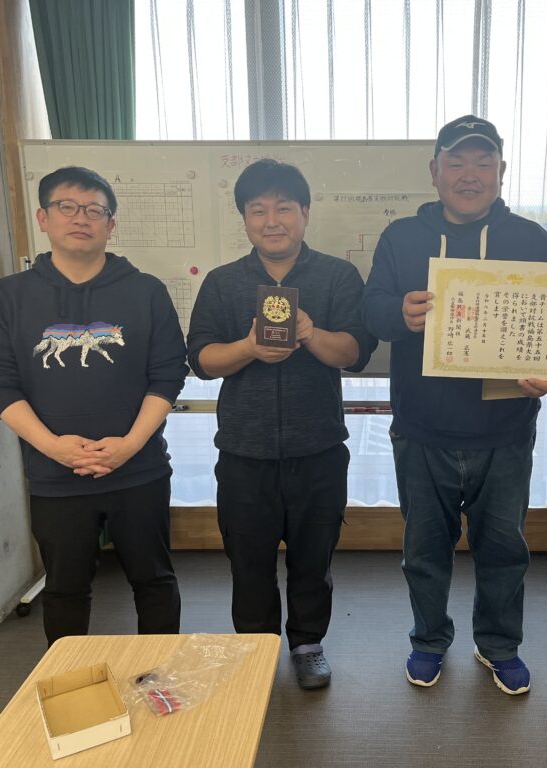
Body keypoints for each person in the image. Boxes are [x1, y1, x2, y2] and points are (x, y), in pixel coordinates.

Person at [361, 115, 547, 695]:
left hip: (506, 430)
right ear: (434, 170)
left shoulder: (530, 239)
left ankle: (499, 645)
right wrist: (399, 313)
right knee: (424, 550)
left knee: (504, 550)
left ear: (502, 171)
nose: (470, 174)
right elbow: (371, 310)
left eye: (483, 162)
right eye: (457, 161)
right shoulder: (402, 237)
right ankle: (428, 640)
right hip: (423, 429)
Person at [0, 166, 187, 647]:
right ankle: (69, 683)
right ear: (43, 218)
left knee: (154, 581)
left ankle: (159, 678)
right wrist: (54, 447)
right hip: (55, 475)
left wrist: (130, 445)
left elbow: (168, 373)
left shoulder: (146, 291)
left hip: (139, 470)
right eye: (67, 207)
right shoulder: (9, 296)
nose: (80, 218)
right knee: (65, 590)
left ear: (111, 224)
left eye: (94, 210)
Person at [187, 159, 377, 690]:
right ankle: (255, 646)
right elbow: (200, 359)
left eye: (284, 208)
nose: (272, 221)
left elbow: (355, 352)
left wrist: (311, 334)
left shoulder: (337, 276)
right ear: (245, 219)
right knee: (247, 559)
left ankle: (307, 643)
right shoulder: (223, 283)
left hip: (318, 449)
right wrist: (249, 348)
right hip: (244, 452)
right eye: (259, 210)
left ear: (305, 213)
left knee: (314, 559)